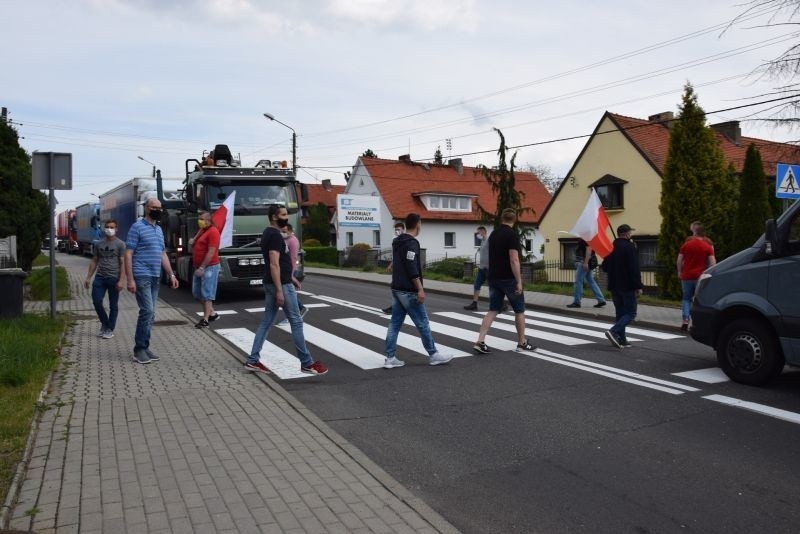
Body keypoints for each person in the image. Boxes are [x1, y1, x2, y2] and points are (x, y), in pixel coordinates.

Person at [245, 205, 328, 375]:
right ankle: (307, 363)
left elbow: (279, 263)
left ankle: (252, 360)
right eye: (283, 215)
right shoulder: (274, 236)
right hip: (279, 284)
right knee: (296, 321)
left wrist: (291, 277)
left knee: (266, 322)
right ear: (274, 217)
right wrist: (280, 290)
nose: (286, 218)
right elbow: (274, 263)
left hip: (273, 281)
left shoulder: (267, 232)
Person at [383, 213, 453, 368]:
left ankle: (390, 358)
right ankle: (434, 354)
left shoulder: (397, 241)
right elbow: (411, 266)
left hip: (396, 288)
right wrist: (420, 289)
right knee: (422, 323)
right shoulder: (412, 243)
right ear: (418, 224)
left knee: (394, 324)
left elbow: (398, 261)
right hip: (409, 290)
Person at [473, 209, 537, 354]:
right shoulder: (512, 235)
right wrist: (519, 281)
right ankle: (521, 342)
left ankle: (480, 340)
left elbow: (488, 255)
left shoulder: (494, 234)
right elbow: (514, 259)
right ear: (514, 220)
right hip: (508, 278)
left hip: (493, 277)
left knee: (493, 309)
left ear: (502, 218)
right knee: (519, 310)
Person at [125, 198, 180, 364]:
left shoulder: (158, 229)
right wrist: (130, 279)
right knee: (147, 311)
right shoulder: (137, 227)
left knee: (151, 314)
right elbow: (128, 254)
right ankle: (139, 349)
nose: (157, 210)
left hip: (156, 275)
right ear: (146, 208)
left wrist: (171, 274)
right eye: (154, 207)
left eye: (159, 208)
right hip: (141, 274)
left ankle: (145, 347)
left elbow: (162, 254)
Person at [601, 224, 643, 349]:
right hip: (627, 285)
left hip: (614, 285)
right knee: (631, 313)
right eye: (630, 232)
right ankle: (614, 331)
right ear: (626, 234)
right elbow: (634, 269)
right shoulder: (630, 247)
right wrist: (638, 286)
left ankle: (622, 339)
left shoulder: (611, 247)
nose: (631, 235)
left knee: (620, 313)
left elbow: (605, 267)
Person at [84, 219, 126, 339]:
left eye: (112, 227)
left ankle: (109, 329)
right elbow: (94, 260)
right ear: (104, 228)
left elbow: (123, 263)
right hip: (100, 278)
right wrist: (88, 278)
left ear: (116, 229)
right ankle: (105, 324)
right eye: (107, 227)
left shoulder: (120, 244)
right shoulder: (98, 244)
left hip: (114, 278)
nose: (109, 229)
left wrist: (121, 280)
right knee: (97, 301)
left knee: (113, 305)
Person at [677, 222, 716, 331]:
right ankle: (698, 321)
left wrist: (680, 271)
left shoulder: (686, 244)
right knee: (699, 299)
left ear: (695, 232)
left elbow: (679, 260)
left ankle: (685, 320)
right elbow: (713, 263)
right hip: (701, 277)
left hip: (687, 276)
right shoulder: (708, 246)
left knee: (686, 299)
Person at [190, 211, 221, 329]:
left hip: (209, 267)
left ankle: (205, 319)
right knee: (197, 293)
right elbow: (198, 247)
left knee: (207, 294)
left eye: (202, 219)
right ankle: (212, 314)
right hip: (198, 267)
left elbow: (211, 252)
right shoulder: (202, 230)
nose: (200, 221)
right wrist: (192, 243)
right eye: (199, 219)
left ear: (208, 220)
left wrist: (202, 267)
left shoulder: (213, 232)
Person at [277, 223, 306, 325]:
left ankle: (297, 312)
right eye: (281, 231)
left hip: (289, 271)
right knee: (288, 293)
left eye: (284, 232)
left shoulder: (293, 241)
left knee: (287, 293)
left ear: (290, 231)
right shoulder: (286, 239)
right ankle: (299, 309)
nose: (282, 233)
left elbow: (293, 258)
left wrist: (291, 275)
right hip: (283, 270)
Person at [566, 238, 607, 308]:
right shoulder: (592, 238)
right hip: (588, 262)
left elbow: (589, 249)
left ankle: (577, 302)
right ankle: (601, 300)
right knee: (591, 281)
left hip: (583, 263)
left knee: (578, 282)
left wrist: (586, 263)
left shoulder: (586, 238)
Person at [382, 221, 405, 314]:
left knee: (399, 289)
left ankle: (397, 308)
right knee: (395, 288)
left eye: (398, 230)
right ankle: (396, 307)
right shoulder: (395, 241)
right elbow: (395, 255)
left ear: (403, 230)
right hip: (397, 269)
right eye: (396, 230)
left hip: (403, 270)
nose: (397, 231)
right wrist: (390, 265)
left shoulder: (406, 241)